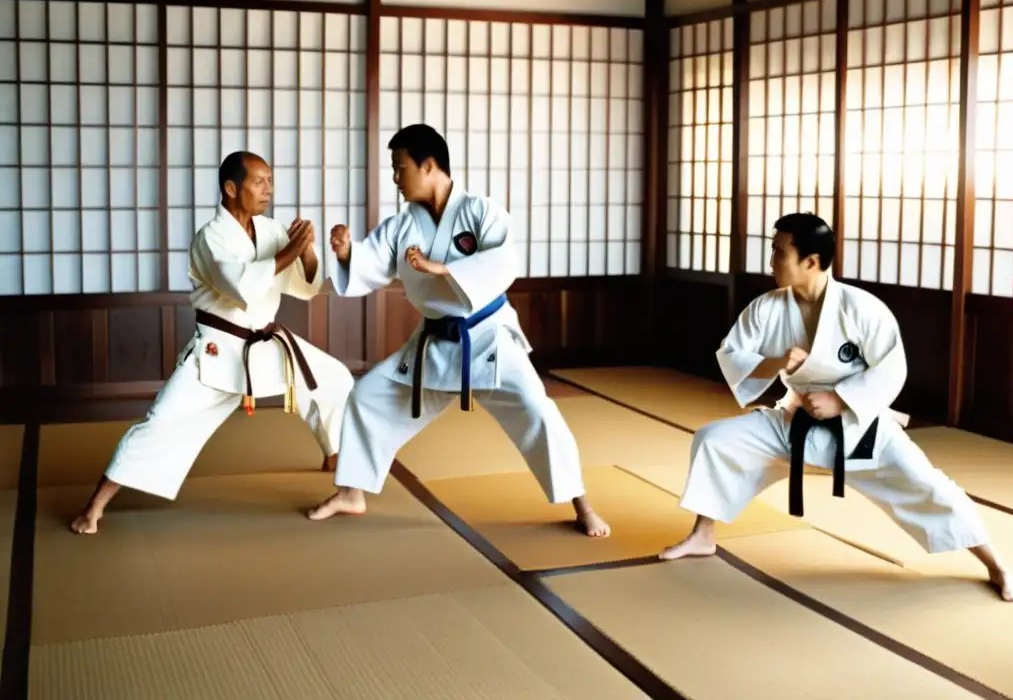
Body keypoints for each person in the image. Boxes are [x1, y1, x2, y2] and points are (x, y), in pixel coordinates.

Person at [658, 212, 1013, 602]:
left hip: (861, 430)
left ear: (811, 261)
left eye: (779, 252)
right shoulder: (767, 308)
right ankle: (703, 534)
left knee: (933, 488)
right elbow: (732, 355)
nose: (770, 261)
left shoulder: (861, 308)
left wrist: (840, 399)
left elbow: (892, 368)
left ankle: (997, 565)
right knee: (715, 440)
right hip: (793, 421)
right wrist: (776, 362)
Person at [306, 124, 610, 538]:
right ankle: (351, 492)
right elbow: (369, 263)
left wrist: (443, 268)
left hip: (488, 338)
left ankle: (583, 505)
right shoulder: (402, 226)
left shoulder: (480, 211)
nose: (395, 177)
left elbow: (503, 263)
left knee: (539, 413)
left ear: (429, 165)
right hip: (433, 343)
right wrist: (346, 253)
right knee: (367, 397)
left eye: (400, 167)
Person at [70, 151, 355, 535]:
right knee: (161, 424)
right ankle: (95, 507)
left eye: (270, 181)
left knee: (334, 379)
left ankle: (333, 452)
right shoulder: (210, 238)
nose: (268, 189)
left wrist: (306, 251)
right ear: (231, 188)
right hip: (217, 353)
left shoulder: (270, 230)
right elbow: (240, 288)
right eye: (259, 181)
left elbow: (305, 287)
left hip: (265, 346)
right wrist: (291, 250)